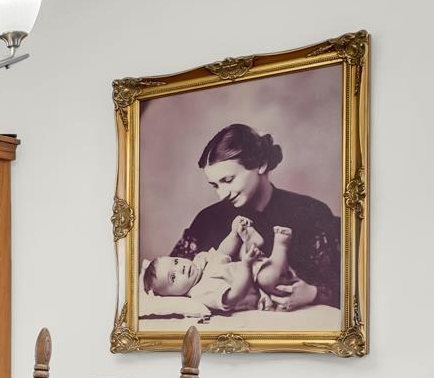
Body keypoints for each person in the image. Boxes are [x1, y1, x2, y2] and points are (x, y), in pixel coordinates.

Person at [159, 122, 340, 310]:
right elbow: (164, 284)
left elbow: (351, 288)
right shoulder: (207, 220)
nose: (222, 194)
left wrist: (312, 293)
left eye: (228, 180)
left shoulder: (310, 213)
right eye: (215, 185)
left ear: (260, 164)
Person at [142, 216, 319, 312]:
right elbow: (236, 294)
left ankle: (249, 240)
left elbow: (223, 252)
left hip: (256, 267)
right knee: (266, 277)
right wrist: (246, 265)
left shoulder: (199, 262)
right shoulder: (200, 293)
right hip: (265, 290)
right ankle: (281, 245)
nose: (180, 268)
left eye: (175, 261)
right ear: (174, 296)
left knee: (242, 251)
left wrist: (234, 233)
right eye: (173, 277)